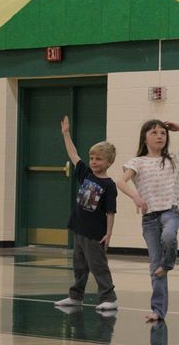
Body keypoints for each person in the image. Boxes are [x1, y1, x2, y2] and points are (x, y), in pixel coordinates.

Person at [117, 119, 179, 322]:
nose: (159, 136)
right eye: (154, 133)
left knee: (169, 236)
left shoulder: (174, 158)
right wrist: (135, 197)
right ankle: (158, 310)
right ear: (145, 137)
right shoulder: (137, 162)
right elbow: (120, 181)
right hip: (149, 218)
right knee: (155, 266)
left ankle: (169, 263)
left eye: (163, 133)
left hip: (170, 212)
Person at [54, 115, 119, 311]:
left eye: (99, 159)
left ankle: (110, 297)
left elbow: (110, 211)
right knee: (79, 266)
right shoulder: (86, 174)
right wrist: (66, 134)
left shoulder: (109, 185)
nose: (94, 162)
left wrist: (109, 234)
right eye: (92, 158)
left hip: (95, 234)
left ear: (109, 162)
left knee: (98, 266)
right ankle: (76, 296)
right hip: (79, 229)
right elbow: (73, 155)